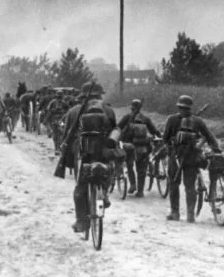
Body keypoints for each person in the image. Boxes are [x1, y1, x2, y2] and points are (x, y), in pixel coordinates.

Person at [61, 81, 116, 233]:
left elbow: (67, 135)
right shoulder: (109, 111)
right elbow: (115, 131)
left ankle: (81, 222)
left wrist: (65, 148)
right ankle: (104, 194)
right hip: (104, 152)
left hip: (83, 154)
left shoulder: (74, 111)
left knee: (80, 188)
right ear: (100, 95)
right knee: (106, 173)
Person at [163, 95, 220, 223]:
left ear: (179, 107)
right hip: (191, 157)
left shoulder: (171, 119)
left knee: (173, 184)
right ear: (190, 107)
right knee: (190, 186)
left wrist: (173, 143)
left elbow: (165, 139)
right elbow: (209, 136)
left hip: (175, 157)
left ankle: (175, 213)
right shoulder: (198, 121)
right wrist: (216, 149)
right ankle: (190, 215)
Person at [117, 99, 161, 197]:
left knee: (129, 165)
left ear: (131, 107)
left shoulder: (127, 117)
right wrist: (159, 136)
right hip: (143, 147)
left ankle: (132, 184)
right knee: (142, 169)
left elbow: (118, 127)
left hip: (130, 147)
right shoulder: (145, 119)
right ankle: (140, 191)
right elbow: (154, 131)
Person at [47, 90, 70, 155]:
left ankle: (59, 148)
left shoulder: (64, 103)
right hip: (54, 120)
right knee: (55, 135)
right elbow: (48, 109)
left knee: (61, 134)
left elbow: (68, 110)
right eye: (58, 97)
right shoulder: (52, 102)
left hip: (62, 120)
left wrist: (63, 112)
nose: (59, 98)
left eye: (60, 97)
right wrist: (53, 110)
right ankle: (56, 148)